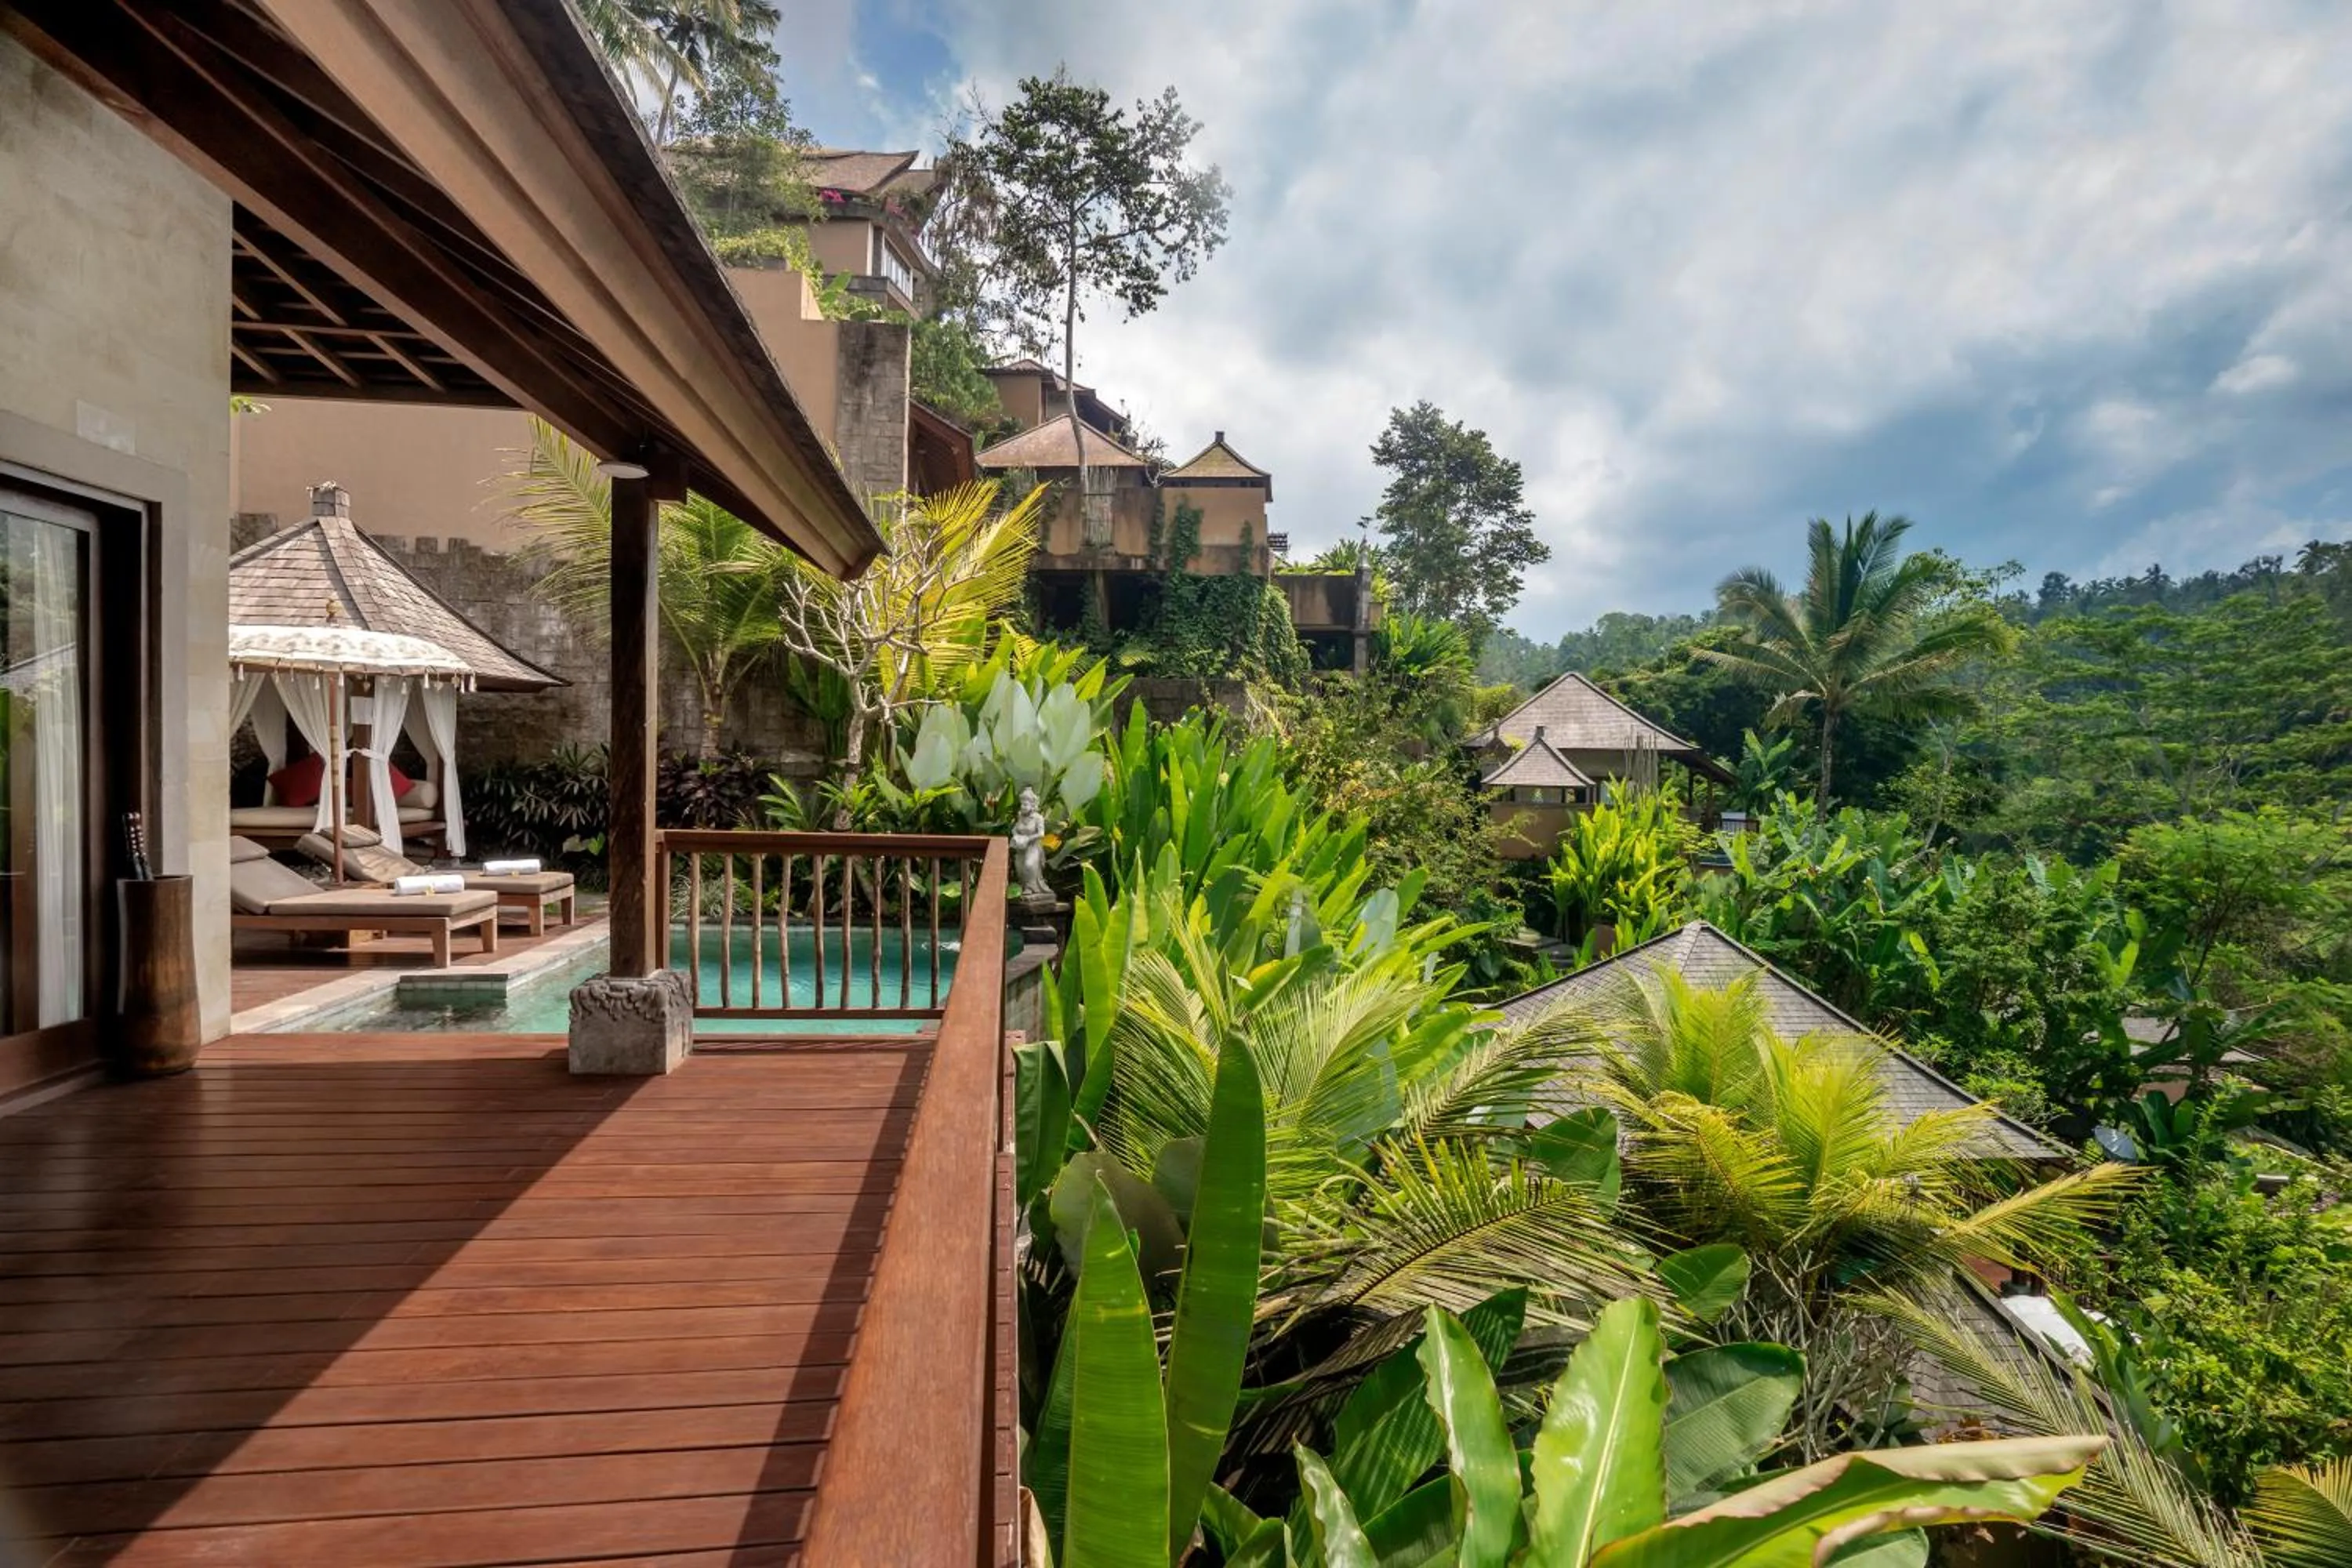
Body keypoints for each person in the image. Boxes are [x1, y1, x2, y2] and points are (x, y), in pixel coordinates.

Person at [1010, 786, 1051, 901]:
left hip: (1033, 847)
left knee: (1029, 865)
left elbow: (1041, 834)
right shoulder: (1020, 816)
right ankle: (1024, 887)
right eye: (1022, 804)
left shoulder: (1038, 818)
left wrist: (1028, 839)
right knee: (1019, 867)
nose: (1022, 807)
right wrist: (1016, 836)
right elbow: (1015, 829)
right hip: (1021, 847)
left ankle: (1031, 887)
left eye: (1025, 805)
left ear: (1032, 806)